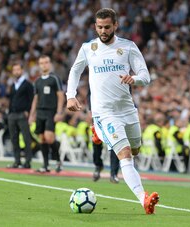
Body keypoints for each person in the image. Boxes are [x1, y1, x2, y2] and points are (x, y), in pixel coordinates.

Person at [66, 8, 159, 215]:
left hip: (127, 110)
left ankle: (98, 134)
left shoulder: (127, 47)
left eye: (107, 27)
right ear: (95, 27)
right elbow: (75, 71)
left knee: (135, 151)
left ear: (115, 25)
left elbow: (145, 75)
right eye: (99, 27)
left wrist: (133, 79)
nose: (103, 31)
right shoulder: (88, 48)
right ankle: (143, 199)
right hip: (104, 112)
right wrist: (70, 95)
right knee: (125, 155)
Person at [29, 55, 64, 173]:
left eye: (46, 62)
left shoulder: (55, 78)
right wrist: (32, 114)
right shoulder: (37, 81)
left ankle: (58, 161)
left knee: (49, 138)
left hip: (51, 111)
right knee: (42, 139)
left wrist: (59, 112)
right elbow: (35, 98)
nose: (44, 65)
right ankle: (45, 165)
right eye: (42, 63)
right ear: (39, 65)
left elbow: (60, 96)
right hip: (40, 112)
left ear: (50, 64)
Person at [7, 61, 34, 169]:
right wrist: (9, 112)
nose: (16, 72)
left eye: (18, 69)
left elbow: (31, 99)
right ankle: (17, 160)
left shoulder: (27, 84)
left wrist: (28, 111)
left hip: (23, 114)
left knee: (26, 138)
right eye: (14, 70)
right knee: (14, 138)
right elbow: (11, 100)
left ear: (22, 71)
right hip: (12, 114)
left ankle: (27, 161)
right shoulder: (13, 85)